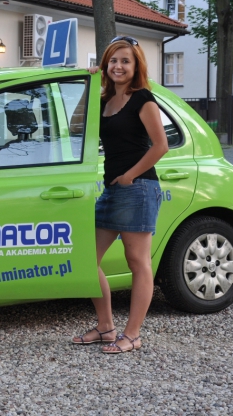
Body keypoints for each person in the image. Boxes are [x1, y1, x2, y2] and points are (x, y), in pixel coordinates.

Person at [71, 36, 168, 354]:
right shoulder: (103, 99)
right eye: (113, 60)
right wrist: (89, 87)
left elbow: (160, 146)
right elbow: (75, 127)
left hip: (138, 187)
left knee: (137, 261)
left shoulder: (143, 99)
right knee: (86, 259)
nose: (119, 66)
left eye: (126, 61)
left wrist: (130, 175)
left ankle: (133, 334)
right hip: (112, 190)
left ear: (136, 66)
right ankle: (106, 327)